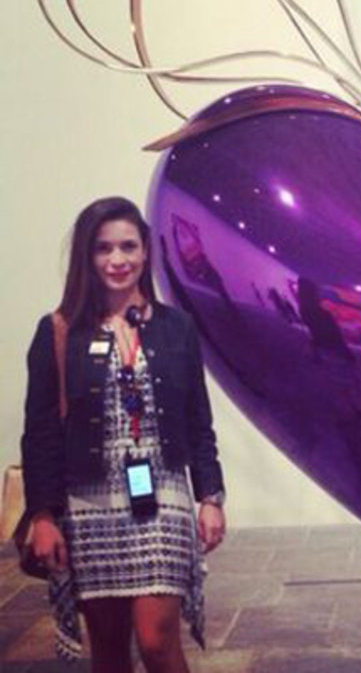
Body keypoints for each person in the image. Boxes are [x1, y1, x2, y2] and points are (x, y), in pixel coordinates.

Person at [21, 197, 226, 672]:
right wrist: (43, 515)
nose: (117, 260)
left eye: (128, 246)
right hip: (88, 503)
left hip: (163, 496)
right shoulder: (59, 331)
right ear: (86, 256)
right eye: (103, 248)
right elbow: (41, 433)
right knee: (110, 649)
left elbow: (198, 420)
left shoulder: (177, 328)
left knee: (157, 641)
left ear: (145, 251)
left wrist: (211, 496)